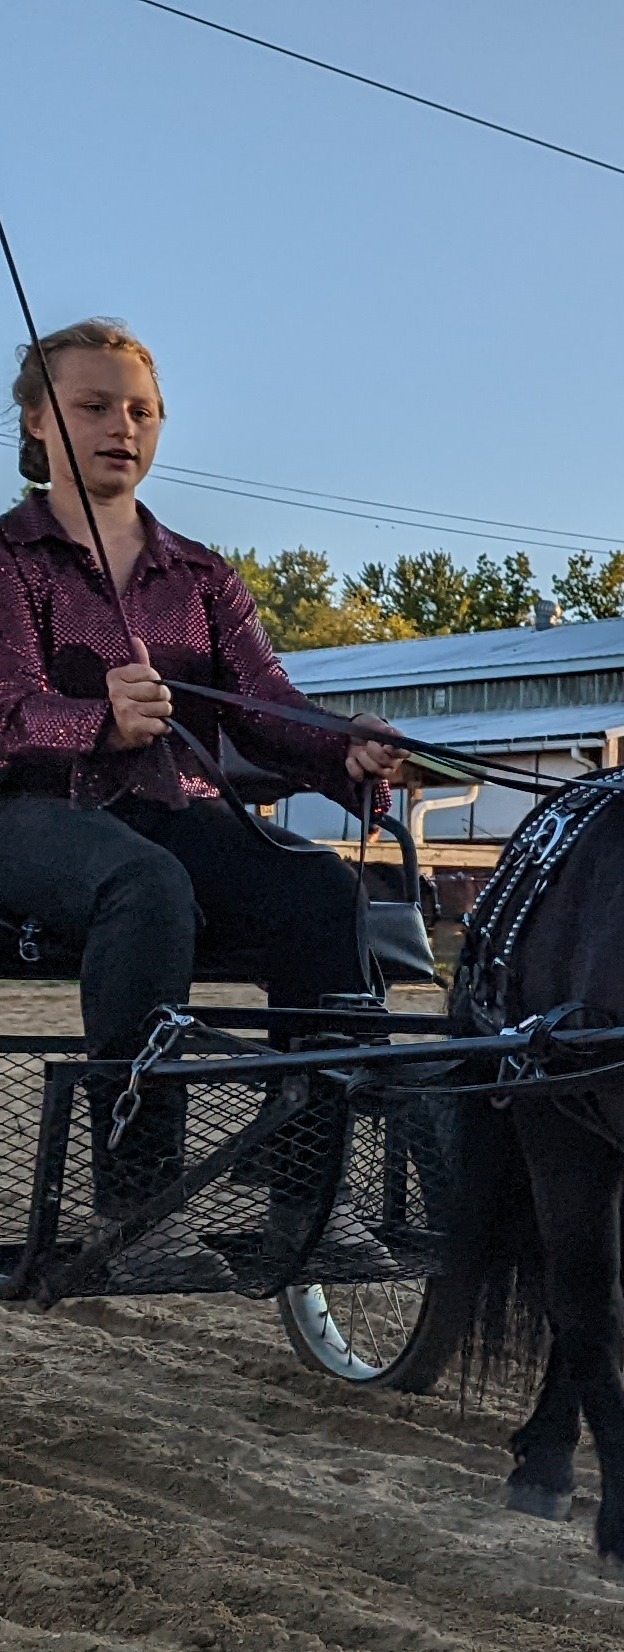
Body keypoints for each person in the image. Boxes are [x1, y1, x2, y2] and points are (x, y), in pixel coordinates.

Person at [0, 319, 409, 1286]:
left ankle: (309, 1197)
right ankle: (139, 1205)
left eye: (140, 410)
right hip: (29, 814)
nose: (121, 426)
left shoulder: (201, 574)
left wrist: (344, 747)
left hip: (172, 812)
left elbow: (267, 705)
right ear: (36, 423)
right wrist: (92, 720)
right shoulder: (9, 561)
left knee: (319, 893)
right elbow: (8, 709)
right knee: (145, 886)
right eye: (93, 406)